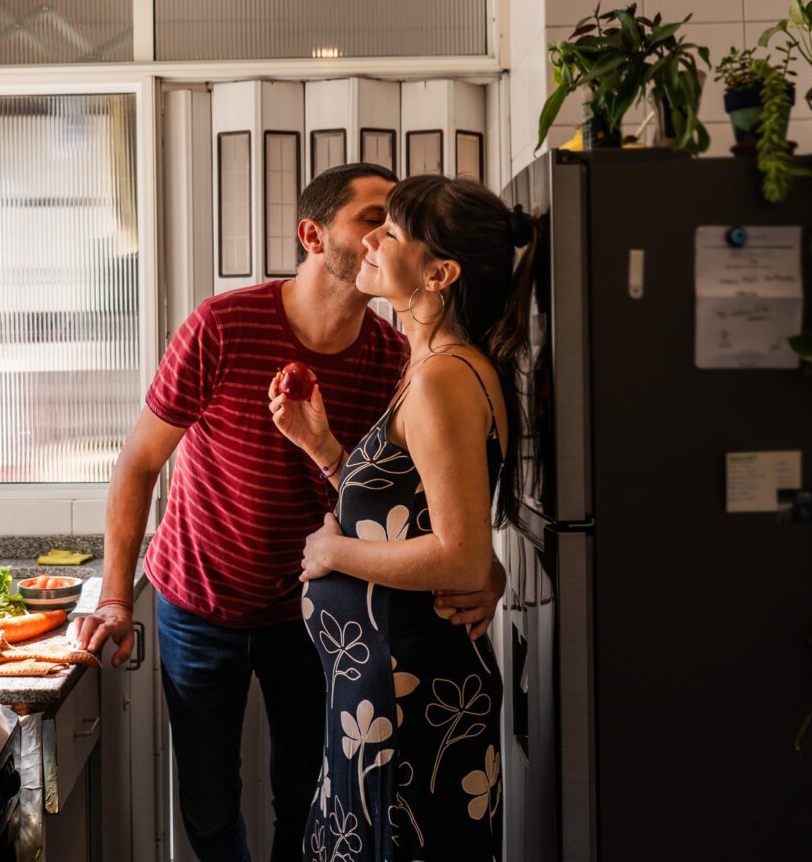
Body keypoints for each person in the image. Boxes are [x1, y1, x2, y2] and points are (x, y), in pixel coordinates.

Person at [71, 163, 508, 862]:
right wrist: (117, 598)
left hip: (313, 627)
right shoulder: (221, 326)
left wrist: (481, 568)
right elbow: (138, 465)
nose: (377, 239)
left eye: (391, 227)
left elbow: (409, 506)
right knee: (209, 811)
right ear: (312, 234)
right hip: (197, 605)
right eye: (373, 219)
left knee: (308, 805)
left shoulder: (398, 359)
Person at [268, 175, 536, 862]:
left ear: (439, 272)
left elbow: (460, 558)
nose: (371, 241)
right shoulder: (431, 367)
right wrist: (326, 451)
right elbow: (408, 514)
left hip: (409, 703)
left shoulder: (445, 376)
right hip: (385, 695)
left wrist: (332, 555)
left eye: (389, 232)